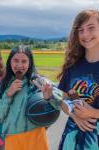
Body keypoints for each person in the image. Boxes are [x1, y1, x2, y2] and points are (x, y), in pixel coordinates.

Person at [0, 45, 57, 150]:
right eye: (16, 61)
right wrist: (8, 94)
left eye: (24, 61)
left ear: (29, 63)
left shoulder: (39, 82)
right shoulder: (1, 86)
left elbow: (58, 105)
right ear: (10, 62)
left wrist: (49, 98)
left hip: (37, 136)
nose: (19, 65)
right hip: (13, 138)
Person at [57, 10, 99, 150]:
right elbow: (63, 99)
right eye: (80, 30)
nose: (85, 34)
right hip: (71, 139)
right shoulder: (73, 65)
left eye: (91, 28)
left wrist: (93, 113)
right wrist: (74, 115)